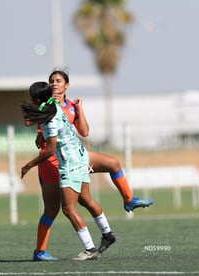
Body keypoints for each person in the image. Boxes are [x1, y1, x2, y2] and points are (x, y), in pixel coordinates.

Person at [30, 70, 154, 261]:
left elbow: (85, 132)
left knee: (110, 167)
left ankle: (126, 204)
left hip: (73, 158)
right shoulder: (48, 106)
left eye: (58, 81)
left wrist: (80, 109)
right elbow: (42, 134)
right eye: (51, 81)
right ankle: (40, 251)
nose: (54, 84)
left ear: (66, 85)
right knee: (52, 209)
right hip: (51, 161)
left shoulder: (71, 105)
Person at [21, 81, 115, 261]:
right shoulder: (53, 105)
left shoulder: (49, 119)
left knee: (68, 208)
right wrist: (40, 133)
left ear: (38, 99)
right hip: (81, 156)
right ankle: (107, 233)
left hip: (70, 163)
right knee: (85, 200)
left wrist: (29, 165)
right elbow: (37, 119)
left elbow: (49, 150)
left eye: (32, 98)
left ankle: (89, 249)